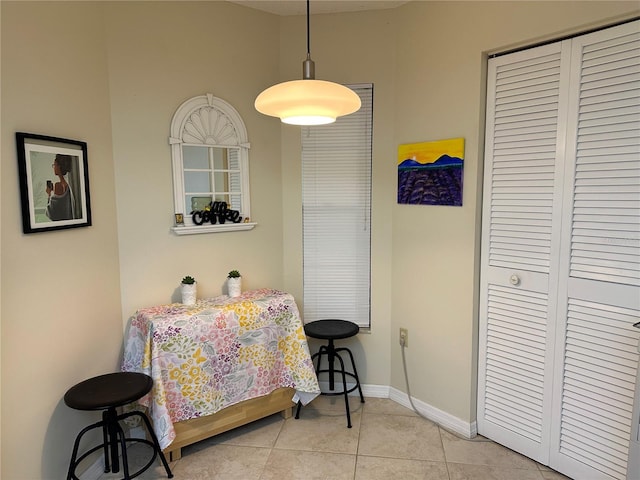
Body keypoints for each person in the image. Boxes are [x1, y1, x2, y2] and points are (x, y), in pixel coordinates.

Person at [45, 154, 75, 221]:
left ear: (59, 166)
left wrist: (49, 194)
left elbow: (51, 213)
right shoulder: (67, 185)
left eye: (54, 165)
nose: (54, 167)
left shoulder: (58, 185)